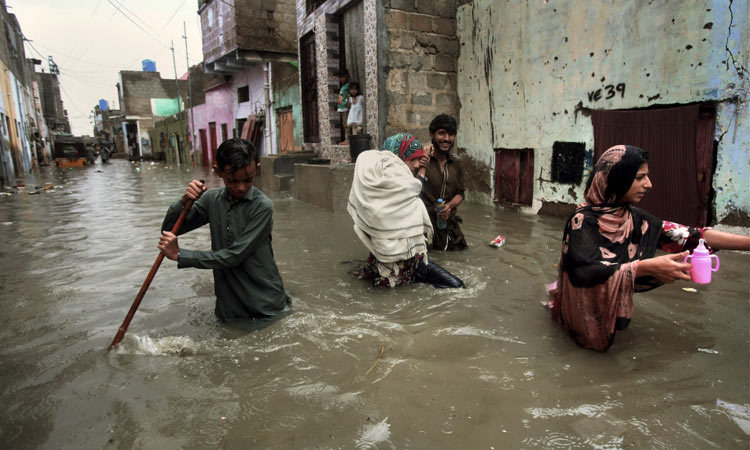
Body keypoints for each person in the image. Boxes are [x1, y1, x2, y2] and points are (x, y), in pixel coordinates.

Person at [549, 145, 750, 351]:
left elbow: (694, 235)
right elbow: (584, 271)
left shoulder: (634, 218)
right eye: (640, 178)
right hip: (579, 312)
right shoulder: (582, 221)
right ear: (617, 178)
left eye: (647, 177)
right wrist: (646, 267)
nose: (649, 184)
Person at [158, 138, 291, 329]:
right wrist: (185, 200)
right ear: (217, 171)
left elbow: (235, 255)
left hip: (265, 305)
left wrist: (181, 255)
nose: (241, 188)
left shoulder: (262, 206)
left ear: (257, 169)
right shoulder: (211, 199)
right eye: (232, 180)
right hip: (229, 306)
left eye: (248, 179)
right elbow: (170, 230)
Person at [347, 133, 464, 289]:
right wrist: (422, 169)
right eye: (412, 159)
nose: (416, 164)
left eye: (418, 159)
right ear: (397, 159)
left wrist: (421, 168)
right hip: (402, 265)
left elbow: (413, 187)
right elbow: (414, 188)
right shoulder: (397, 187)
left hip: (395, 262)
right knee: (457, 286)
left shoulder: (381, 188)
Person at [421, 114, 467, 250]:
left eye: (451, 134)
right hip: (424, 226)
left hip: (449, 225)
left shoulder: (457, 162)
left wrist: (449, 207)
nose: (447, 139)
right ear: (432, 134)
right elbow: (411, 189)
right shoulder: (422, 160)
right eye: (442, 133)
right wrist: (422, 161)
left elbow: (461, 193)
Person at [337, 69, 351, 144]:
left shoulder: (348, 85)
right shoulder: (343, 86)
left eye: (343, 77)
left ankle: (347, 140)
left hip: (345, 107)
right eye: (340, 77)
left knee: (346, 124)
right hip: (342, 108)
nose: (341, 79)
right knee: (344, 123)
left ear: (347, 77)